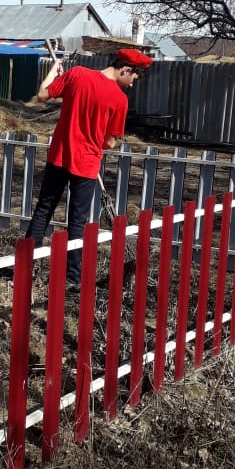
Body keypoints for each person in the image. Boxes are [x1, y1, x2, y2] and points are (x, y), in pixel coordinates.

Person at [26, 47, 153, 289]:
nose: (132, 84)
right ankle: (71, 277)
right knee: (77, 221)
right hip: (86, 164)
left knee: (43, 210)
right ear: (126, 69)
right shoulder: (119, 100)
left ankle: (26, 265)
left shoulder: (77, 74)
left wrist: (54, 71)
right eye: (134, 78)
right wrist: (95, 137)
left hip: (60, 156)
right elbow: (110, 142)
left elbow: (42, 95)